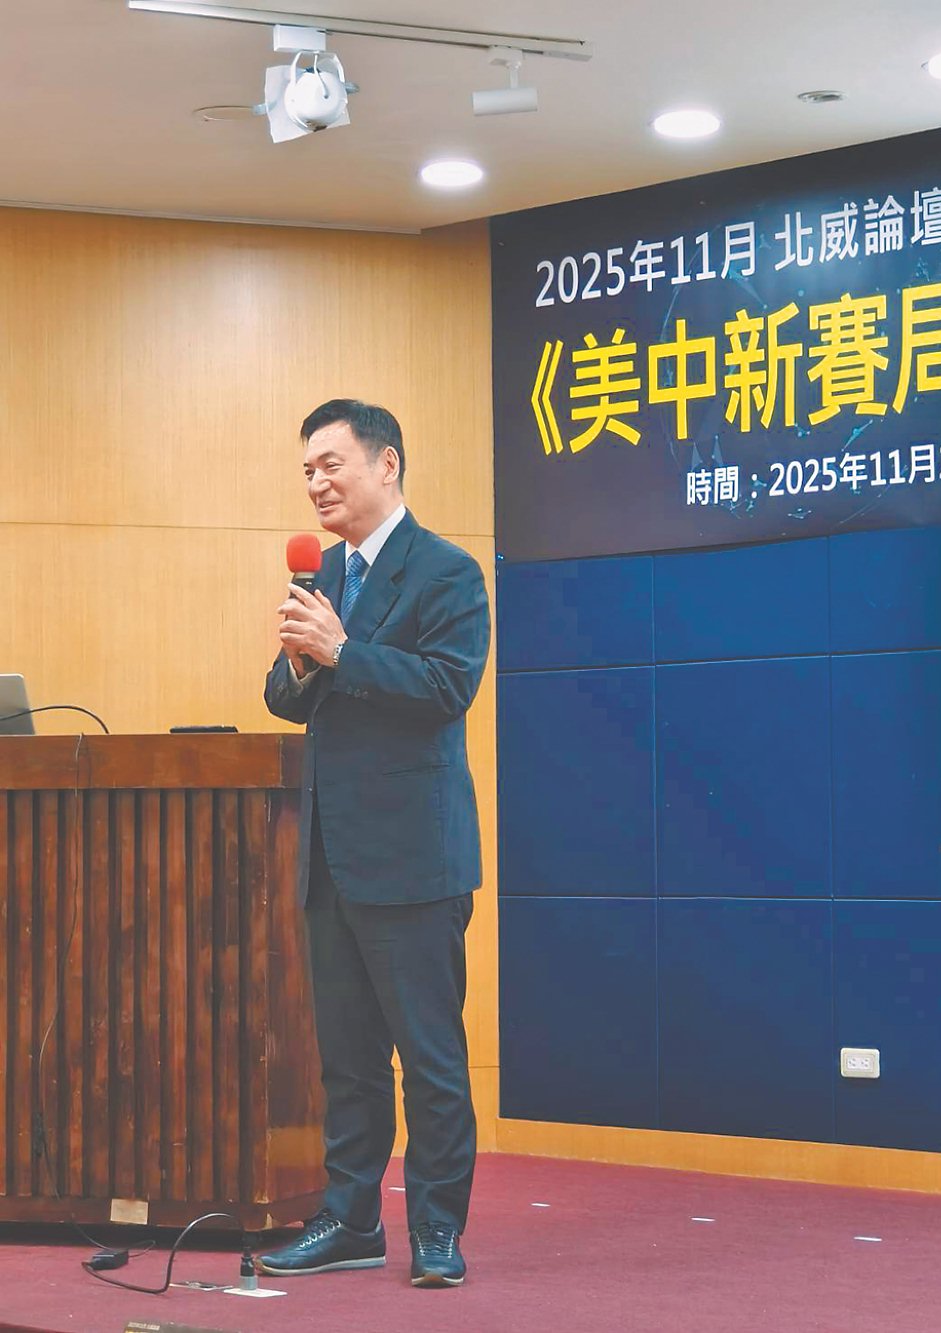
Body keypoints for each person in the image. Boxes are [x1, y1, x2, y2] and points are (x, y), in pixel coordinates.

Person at [259, 399, 490, 1288]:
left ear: (386, 463)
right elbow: (286, 697)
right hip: (331, 855)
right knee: (348, 1060)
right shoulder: (323, 572)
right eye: (306, 471)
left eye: (331, 464)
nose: (315, 483)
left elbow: (447, 686)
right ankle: (351, 1220)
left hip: (414, 859)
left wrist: (342, 650)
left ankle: (436, 1226)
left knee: (429, 1059)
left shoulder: (447, 571)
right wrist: (301, 660)